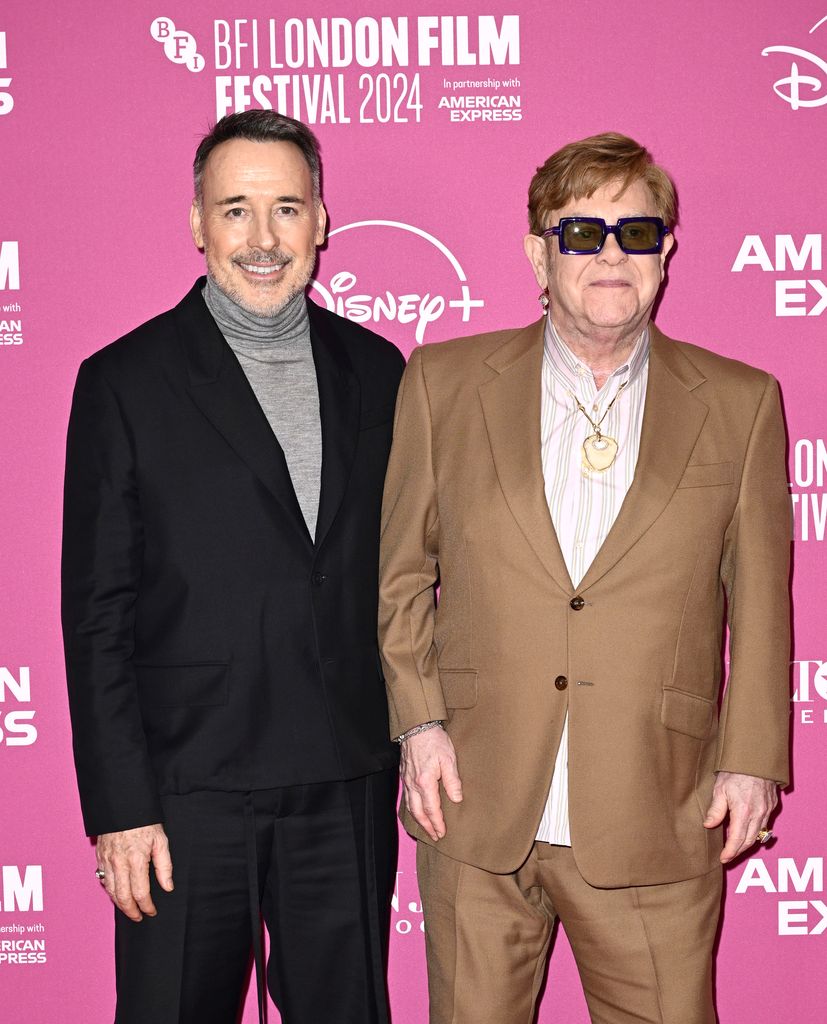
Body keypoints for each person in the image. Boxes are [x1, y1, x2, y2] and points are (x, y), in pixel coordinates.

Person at [378, 132, 790, 1023]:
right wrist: (417, 723)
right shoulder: (441, 385)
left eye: (637, 234)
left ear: (667, 253)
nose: (611, 255)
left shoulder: (742, 403)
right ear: (537, 251)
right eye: (581, 233)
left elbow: (761, 602)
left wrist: (753, 762)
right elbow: (401, 577)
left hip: (659, 808)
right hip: (476, 807)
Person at [62, 109, 404, 1024]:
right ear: (198, 223)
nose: (263, 239)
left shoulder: (379, 372)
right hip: (185, 795)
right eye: (237, 209)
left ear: (322, 222)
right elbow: (95, 612)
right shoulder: (123, 381)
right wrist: (119, 807)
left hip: (344, 776)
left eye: (287, 209)